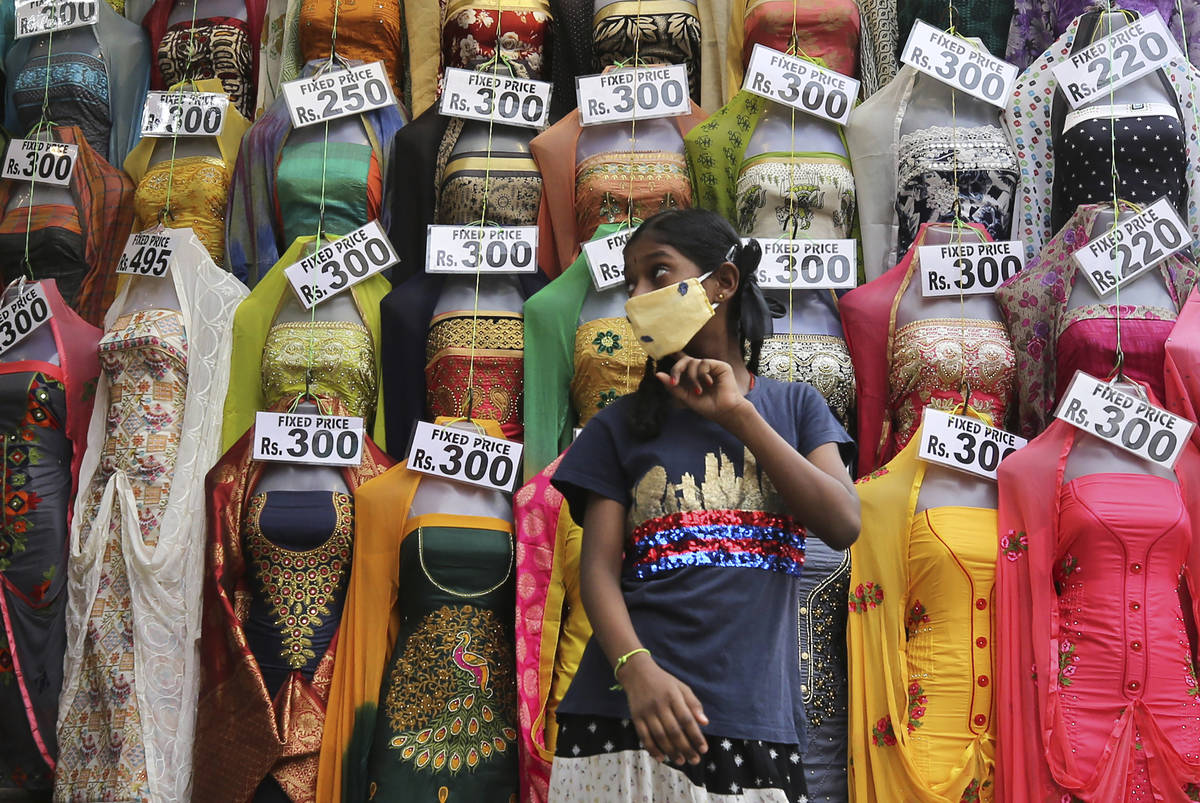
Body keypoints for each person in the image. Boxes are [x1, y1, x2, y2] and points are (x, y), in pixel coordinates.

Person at [547, 208, 861, 801]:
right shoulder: (619, 426)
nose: (638, 296)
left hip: (754, 719)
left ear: (722, 283)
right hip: (625, 715)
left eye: (657, 274)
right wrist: (636, 671)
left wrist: (740, 416)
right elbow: (597, 574)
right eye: (630, 282)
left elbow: (842, 522)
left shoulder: (796, 409)